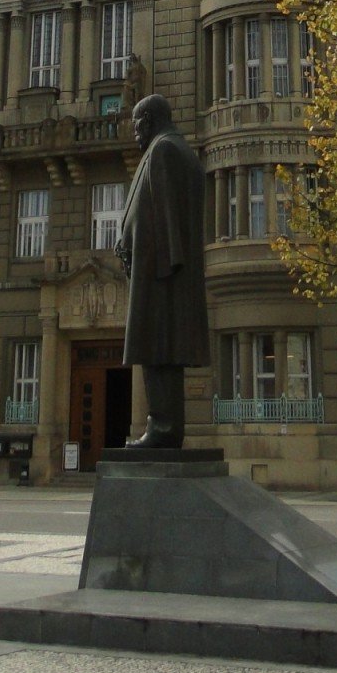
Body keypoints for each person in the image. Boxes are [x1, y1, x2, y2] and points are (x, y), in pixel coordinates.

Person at [115, 93, 209, 449]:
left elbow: (166, 216)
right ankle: (164, 427)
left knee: (157, 349)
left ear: (149, 120)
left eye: (137, 126)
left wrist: (157, 266)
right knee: (160, 352)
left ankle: (163, 427)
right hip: (160, 269)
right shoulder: (174, 149)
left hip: (159, 273)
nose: (135, 134)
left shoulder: (164, 151)